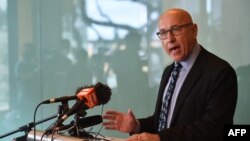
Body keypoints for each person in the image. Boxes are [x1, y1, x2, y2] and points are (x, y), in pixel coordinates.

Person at [102, 8, 238, 141]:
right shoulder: (169, 72)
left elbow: (214, 129)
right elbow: (162, 121)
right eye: (163, 33)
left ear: (194, 30)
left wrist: (160, 138)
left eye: (176, 29)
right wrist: (137, 126)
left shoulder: (220, 72)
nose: (170, 39)